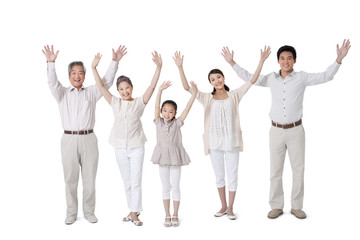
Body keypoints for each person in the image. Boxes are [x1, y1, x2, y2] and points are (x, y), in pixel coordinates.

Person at [222, 39, 351, 219]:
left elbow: (325, 76)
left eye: (289, 58)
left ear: (294, 61)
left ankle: (297, 206)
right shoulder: (270, 79)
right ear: (278, 61)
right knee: (275, 170)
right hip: (275, 131)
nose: (286, 61)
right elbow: (249, 77)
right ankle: (276, 206)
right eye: (282, 58)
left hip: (296, 130)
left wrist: (338, 59)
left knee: (298, 169)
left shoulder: (302, 77)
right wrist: (232, 62)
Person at [174, 47, 270, 220]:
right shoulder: (206, 98)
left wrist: (261, 60)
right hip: (214, 143)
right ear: (210, 83)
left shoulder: (234, 95)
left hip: (232, 141)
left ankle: (231, 208)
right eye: (213, 79)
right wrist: (180, 67)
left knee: (232, 176)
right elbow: (186, 87)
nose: (216, 80)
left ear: (223, 78)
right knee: (219, 177)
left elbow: (252, 80)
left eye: (218, 77)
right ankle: (223, 205)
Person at [43, 44, 125, 224]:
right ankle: (71, 213)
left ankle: (89, 212)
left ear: (84, 76)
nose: (77, 76)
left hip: (89, 138)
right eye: (73, 73)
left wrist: (114, 61)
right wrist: (50, 63)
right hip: (68, 139)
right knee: (70, 178)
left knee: (89, 179)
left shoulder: (92, 92)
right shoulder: (62, 93)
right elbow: (51, 82)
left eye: (80, 72)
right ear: (69, 76)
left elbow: (106, 82)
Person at [91, 50, 162, 226]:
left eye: (127, 88)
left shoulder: (139, 103)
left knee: (136, 180)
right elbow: (101, 87)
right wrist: (94, 68)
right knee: (127, 181)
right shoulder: (115, 102)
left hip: (137, 146)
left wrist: (159, 67)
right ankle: (132, 210)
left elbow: (152, 87)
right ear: (118, 91)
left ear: (132, 88)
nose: (124, 91)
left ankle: (134, 213)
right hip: (119, 148)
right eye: (121, 89)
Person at [151, 80, 198, 227]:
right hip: (162, 157)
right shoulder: (158, 122)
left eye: (171, 111)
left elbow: (187, 109)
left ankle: (176, 214)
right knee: (166, 187)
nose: (167, 114)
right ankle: (167, 215)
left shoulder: (178, 123)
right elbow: (156, 105)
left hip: (176, 157)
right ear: (161, 111)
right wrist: (159, 91)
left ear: (175, 114)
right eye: (165, 110)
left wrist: (194, 93)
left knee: (176, 186)